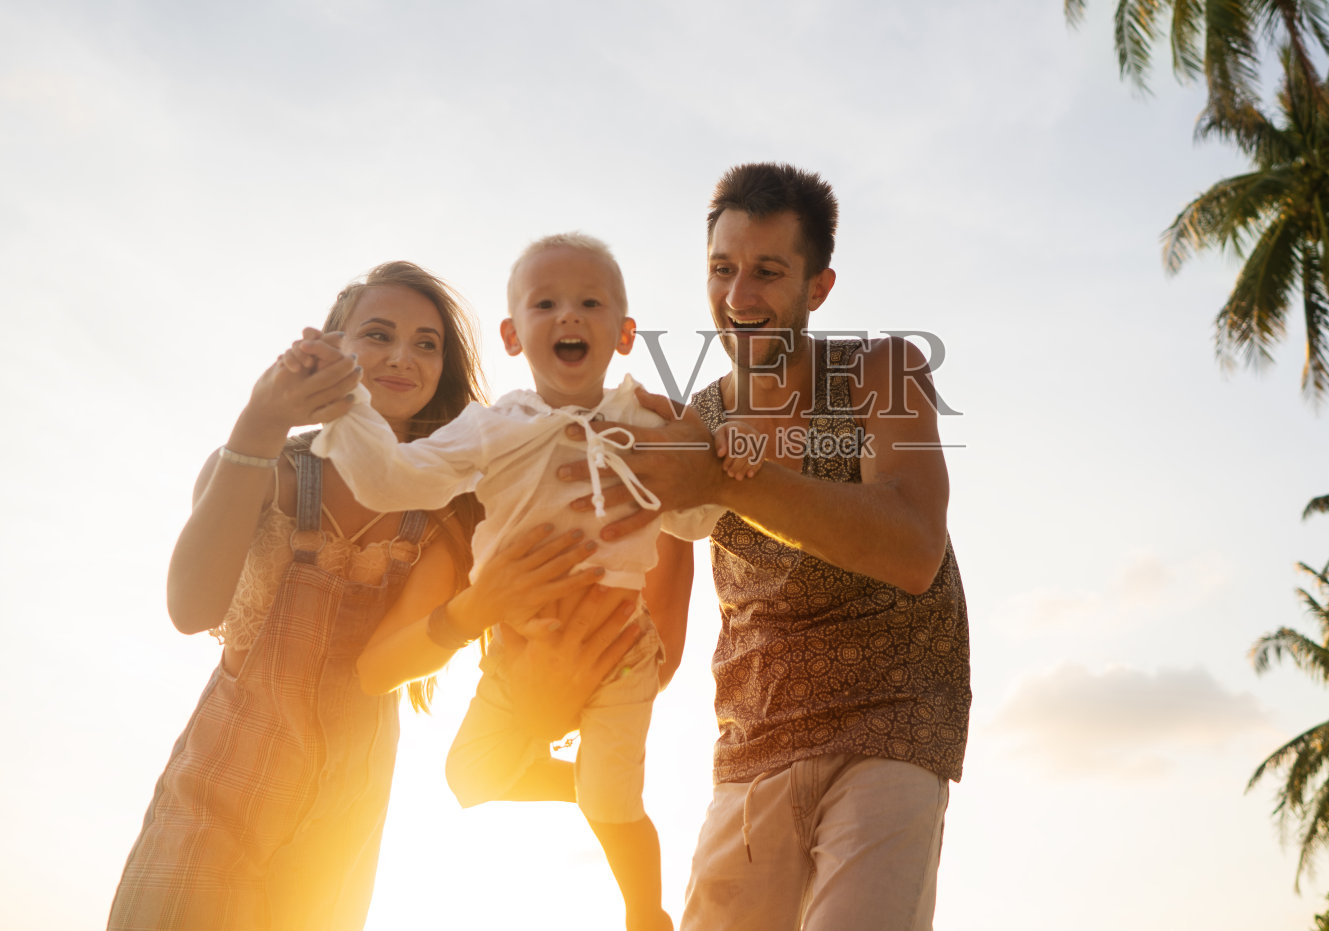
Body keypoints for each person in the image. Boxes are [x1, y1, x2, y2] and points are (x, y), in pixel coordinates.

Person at [109, 262, 637, 931]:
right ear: (334, 346)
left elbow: (393, 661)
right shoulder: (266, 467)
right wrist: (258, 422)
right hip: (217, 793)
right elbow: (191, 609)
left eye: (426, 344)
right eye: (379, 334)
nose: (401, 357)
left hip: (341, 823)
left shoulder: (450, 513)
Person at [560, 163, 971, 931]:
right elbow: (657, 630)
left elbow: (915, 545)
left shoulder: (882, 372)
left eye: (768, 272)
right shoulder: (693, 420)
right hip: (751, 745)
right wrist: (571, 685)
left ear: (819, 286)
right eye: (723, 269)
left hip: (890, 724)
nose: (739, 296)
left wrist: (728, 477)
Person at [311, 234, 732, 931]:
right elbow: (392, 478)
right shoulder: (494, 428)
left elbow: (698, 520)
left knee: (615, 805)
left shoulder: (644, 422)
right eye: (545, 304)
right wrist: (346, 405)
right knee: (468, 775)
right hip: (518, 642)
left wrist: (707, 453)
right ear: (512, 336)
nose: (568, 315)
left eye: (589, 303)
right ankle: (586, 781)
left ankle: (645, 910)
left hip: (620, 647)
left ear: (624, 333)